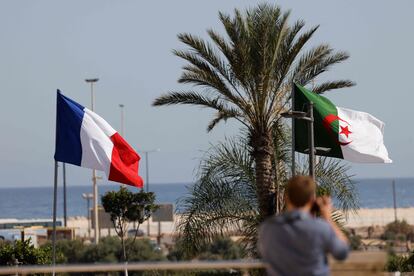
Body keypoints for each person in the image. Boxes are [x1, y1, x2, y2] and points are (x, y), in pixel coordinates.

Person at [258, 175, 349, 276]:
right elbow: (342, 253)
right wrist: (328, 218)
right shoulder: (320, 228)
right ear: (311, 200)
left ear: (286, 198)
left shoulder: (268, 228)